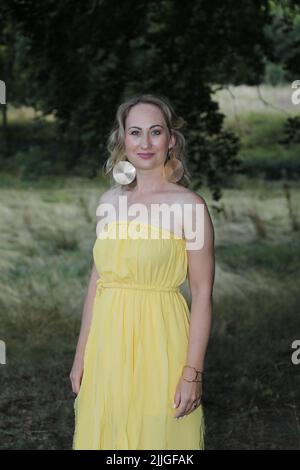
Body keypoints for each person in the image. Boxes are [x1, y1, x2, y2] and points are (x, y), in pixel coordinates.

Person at [70, 93, 215, 450]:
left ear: (171, 140)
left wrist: (192, 373)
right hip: (106, 345)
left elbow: (202, 293)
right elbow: (97, 281)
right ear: (123, 139)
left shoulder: (189, 206)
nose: (145, 142)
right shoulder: (109, 202)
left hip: (162, 342)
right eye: (135, 132)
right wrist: (80, 356)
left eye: (156, 131)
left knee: (158, 442)